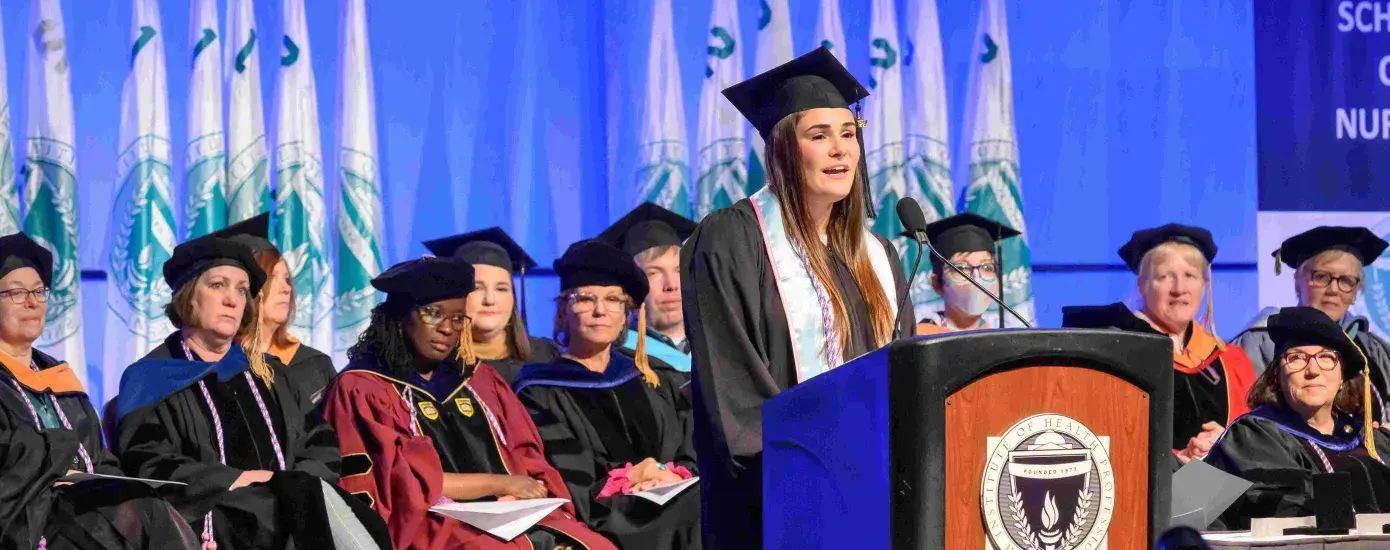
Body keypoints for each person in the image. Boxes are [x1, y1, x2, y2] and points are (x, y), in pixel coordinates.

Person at [681, 47, 913, 547]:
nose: (841, 150)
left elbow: (903, 372)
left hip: (876, 493)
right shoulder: (731, 239)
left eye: (848, 134)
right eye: (819, 135)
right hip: (777, 501)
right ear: (784, 150)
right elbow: (732, 390)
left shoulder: (878, 256)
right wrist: (819, 461)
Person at [320, 256, 615, 550]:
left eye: (458, 317)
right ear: (400, 317)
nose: (447, 328)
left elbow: (526, 455)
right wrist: (499, 484)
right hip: (431, 524)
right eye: (433, 314)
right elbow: (396, 485)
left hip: (513, 515)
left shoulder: (479, 381)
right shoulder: (364, 388)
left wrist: (524, 492)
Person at [115, 235, 390, 550]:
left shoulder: (268, 373)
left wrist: (294, 488)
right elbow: (147, 461)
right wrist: (238, 478)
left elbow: (320, 444)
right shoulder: (150, 377)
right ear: (188, 295)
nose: (232, 299)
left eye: (242, 290)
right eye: (218, 285)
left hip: (294, 512)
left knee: (366, 523)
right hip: (212, 518)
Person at [0, 233, 197, 549]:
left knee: (146, 504)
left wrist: (114, 481)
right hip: (30, 520)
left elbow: (99, 457)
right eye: (16, 292)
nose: (33, 301)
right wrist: (58, 445)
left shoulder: (57, 374)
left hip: (85, 509)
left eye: (39, 291)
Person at [513, 240, 700, 549]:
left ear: (626, 312)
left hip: (676, 495)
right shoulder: (539, 390)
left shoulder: (650, 377)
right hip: (609, 517)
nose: (600, 311)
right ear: (563, 309)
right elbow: (572, 483)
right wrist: (633, 477)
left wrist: (671, 474)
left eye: (613, 299)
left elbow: (688, 444)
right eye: (585, 299)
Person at [1206, 306, 1390, 529]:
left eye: (1326, 357)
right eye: (1296, 358)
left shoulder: (1368, 439)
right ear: (1277, 376)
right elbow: (1281, 507)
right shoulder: (1254, 435)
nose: (1313, 369)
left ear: (1341, 376)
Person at [1112, 224, 1257, 464]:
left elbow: (1256, 440)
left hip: (1224, 493)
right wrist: (1177, 462)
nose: (1179, 289)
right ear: (1142, 285)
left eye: (1190, 275)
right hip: (1146, 491)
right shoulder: (1120, 355)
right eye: (1164, 276)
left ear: (1204, 283)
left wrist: (1226, 443)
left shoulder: (1231, 361)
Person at [1232, 226, 1390, 420]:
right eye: (1321, 277)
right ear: (1298, 282)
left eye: (1347, 281)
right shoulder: (1261, 342)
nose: (1334, 289)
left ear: (1357, 290)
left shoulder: (1373, 351)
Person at [212, 213, 336, 405]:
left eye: (286, 279)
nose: (286, 288)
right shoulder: (216, 367)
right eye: (272, 278)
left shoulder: (316, 365)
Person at [424, 227, 561, 384]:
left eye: (501, 289)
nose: (490, 300)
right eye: (477, 288)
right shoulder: (432, 366)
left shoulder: (545, 358)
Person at [597, 202, 698, 377]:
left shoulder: (720, 347)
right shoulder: (616, 361)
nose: (671, 285)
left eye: (679, 270)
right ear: (629, 288)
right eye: (653, 273)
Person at [913, 213, 1021, 335]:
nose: (976, 279)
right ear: (937, 284)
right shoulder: (920, 338)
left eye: (987, 267)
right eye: (962, 269)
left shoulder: (1003, 340)